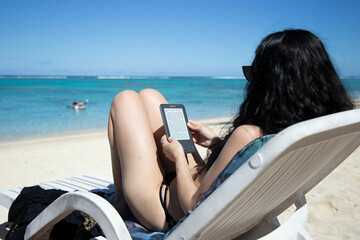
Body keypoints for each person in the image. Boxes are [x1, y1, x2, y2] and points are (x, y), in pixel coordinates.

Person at [107, 29, 354, 232]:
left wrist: (178, 160)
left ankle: (122, 202)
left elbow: (194, 206)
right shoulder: (301, 131)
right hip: (207, 196)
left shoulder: (247, 134)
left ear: (270, 82)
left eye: (253, 73)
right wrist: (217, 144)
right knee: (151, 97)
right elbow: (241, 167)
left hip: (167, 210)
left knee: (125, 98)